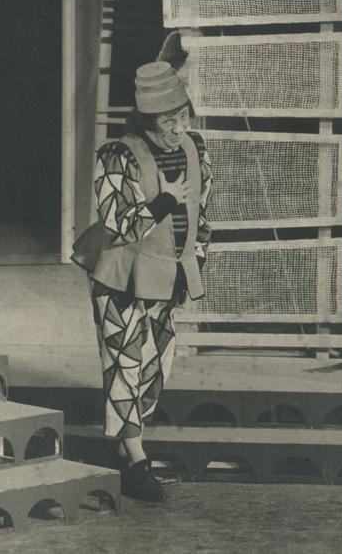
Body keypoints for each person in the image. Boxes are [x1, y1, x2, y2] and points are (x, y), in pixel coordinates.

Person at [72, 59, 212, 502]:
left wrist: (194, 260)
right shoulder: (117, 155)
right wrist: (165, 200)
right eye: (168, 120)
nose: (178, 127)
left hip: (169, 275)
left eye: (183, 116)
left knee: (155, 368)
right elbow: (117, 224)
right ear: (147, 120)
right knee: (125, 365)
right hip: (120, 276)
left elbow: (202, 213)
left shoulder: (195, 148)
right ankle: (136, 461)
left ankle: (128, 447)